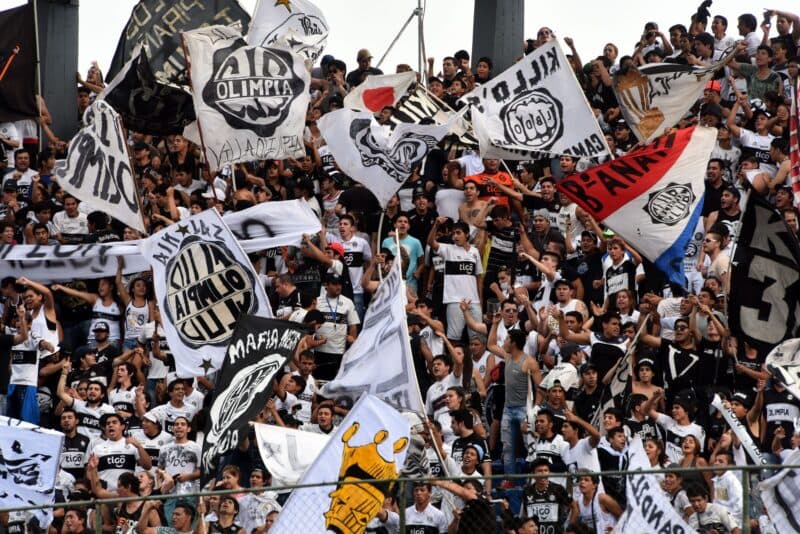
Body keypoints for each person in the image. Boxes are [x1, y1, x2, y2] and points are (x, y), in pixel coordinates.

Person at [86, 413, 152, 492]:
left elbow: (148, 466)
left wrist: (139, 447)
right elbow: (89, 474)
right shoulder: (97, 448)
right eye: (108, 424)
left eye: (114, 422)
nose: (110, 425)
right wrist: (98, 489)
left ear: (122, 427)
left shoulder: (132, 445)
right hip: (106, 495)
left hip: (128, 494)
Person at [314, 273, 359, 381]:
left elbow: (353, 325)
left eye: (340, 284)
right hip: (319, 350)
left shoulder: (348, 302)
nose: (338, 286)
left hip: (338, 351)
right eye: (334, 284)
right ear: (326, 286)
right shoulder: (317, 301)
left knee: (334, 381)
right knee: (319, 381)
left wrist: (352, 343)